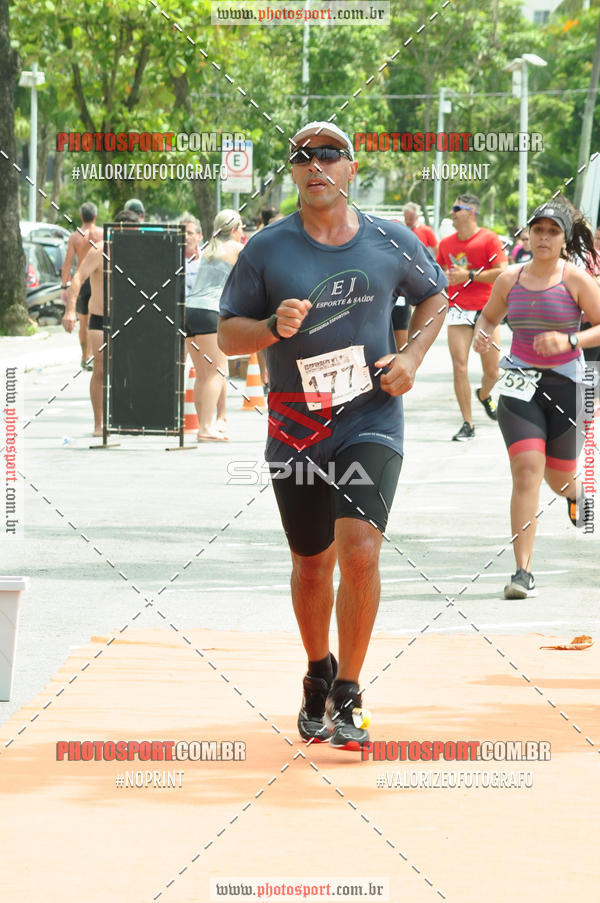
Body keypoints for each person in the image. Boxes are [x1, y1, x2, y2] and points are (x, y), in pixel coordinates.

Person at [218, 120, 448, 750]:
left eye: (328, 154)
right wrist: (270, 325)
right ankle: (317, 670)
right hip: (295, 425)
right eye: (302, 156)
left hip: (369, 417)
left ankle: (349, 690)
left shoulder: (390, 240)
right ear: (292, 171)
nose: (314, 164)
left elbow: (436, 300)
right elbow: (229, 334)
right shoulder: (266, 249)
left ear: (351, 167)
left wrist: (411, 358)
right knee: (312, 564)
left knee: (361, 551)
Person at [474, 200, 600, 598]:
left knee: (560, 476)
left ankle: (578, 494)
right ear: (527, 235)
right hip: (519, 383)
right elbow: (489, 317)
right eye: (538, 230)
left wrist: (571, 339)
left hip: (569, 385)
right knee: (527, 469)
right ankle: (522, 571)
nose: (543, 237)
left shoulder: (575, 279)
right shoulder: (509, 279)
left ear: (563, 240)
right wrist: (482, 333)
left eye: (552, 231)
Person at [62, 209, 140, 436]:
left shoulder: (138, 252)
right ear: (117, 230)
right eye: (128, 233)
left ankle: (125, 417)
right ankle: (100, 423)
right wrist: (70, 311)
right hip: (101, 318)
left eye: (136, 234)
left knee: (129, 370)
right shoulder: (100, 250)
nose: (132, 238)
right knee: (101, 370)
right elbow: (78, 278)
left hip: (128, 320)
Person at [437, 194, 508, 440]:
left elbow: (502, 272)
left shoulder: (489, 239)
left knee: (493, 372)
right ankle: (468, 423)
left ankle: (484, 394)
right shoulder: (445, 244)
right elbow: (437, 274)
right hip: (458, 310)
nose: (452, 212)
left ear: (471, 212)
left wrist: (469, 276)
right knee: (460, 366)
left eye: (457, 208)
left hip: (486, 310)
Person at [186, 209, 244, 441]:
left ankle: (205, 425)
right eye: (241, 228)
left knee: (202, 374)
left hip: (190, 311)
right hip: (210, 312)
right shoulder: (235, 249)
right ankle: (206, 428)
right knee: (217, 372)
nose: (243, 233)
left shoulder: (208, 250)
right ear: (233, 230)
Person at [60, 202, 103, 370]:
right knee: (95, 321)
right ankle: (93, 356)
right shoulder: (102, 234)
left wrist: (64, 286)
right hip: (97, 281)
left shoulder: (75, 237)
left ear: (81, 216)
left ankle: (85, 356)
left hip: (81, 282)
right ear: (95, 217)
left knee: (83, 323)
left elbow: (68, 263)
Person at [393, 203, 439, 351]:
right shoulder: (400, 229)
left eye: (411, 218)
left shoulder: (426, 230)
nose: (409, 221)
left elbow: (436, 251)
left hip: (419, 273)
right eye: (407, 218)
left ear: (417, 216)